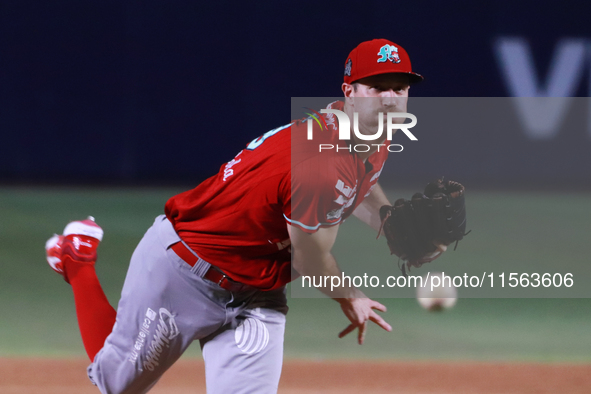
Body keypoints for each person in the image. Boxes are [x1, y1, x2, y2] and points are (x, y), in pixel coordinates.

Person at [45, 38, 432, 394]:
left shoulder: (369, 132)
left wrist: (389, 219)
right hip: (185, 269)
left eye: (400, 88)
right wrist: (350, 296)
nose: (390, 100)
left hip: (257, 293)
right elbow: (309, 257)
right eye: (378, 88)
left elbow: (360, 182)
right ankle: (78, 261)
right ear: (349, 93)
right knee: (117, 385)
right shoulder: (319, 164)